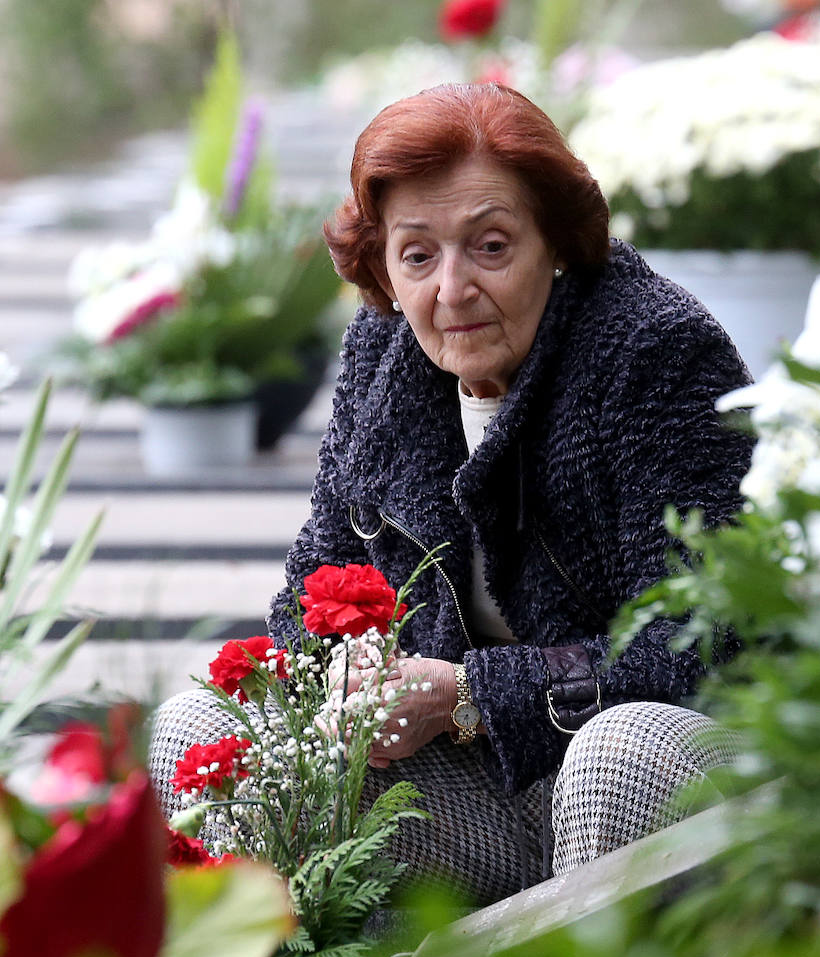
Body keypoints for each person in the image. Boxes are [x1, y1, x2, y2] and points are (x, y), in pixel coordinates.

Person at [149, 82, 753, 904]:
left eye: (492, 246)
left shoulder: (656, 352)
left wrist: (468, 694)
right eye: (418, 254)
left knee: (620, 755)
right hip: (484, 802)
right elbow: (310, 590)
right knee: (198, 729)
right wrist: (349, 673)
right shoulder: (387, 353)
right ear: (384, 268)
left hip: (657, 780)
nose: (452, 290)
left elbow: (710, 641)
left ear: (558, 244)